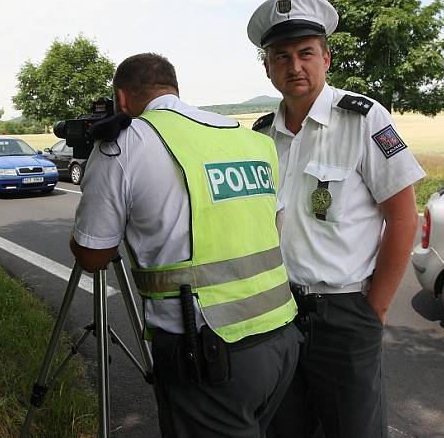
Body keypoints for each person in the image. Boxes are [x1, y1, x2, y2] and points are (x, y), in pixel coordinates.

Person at [70, 53, 302, 437]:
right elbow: (273, 224)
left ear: (122, 99)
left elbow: (93, 255)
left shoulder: (124, 144)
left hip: (208, 351)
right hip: (281, 338)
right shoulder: (247, 139)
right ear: (175, 90)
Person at [246, 0, 425, 438]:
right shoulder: (261, 137)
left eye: (306, 53)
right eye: (281, 56)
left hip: (344, 312)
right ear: (267, 68)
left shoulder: (363, 119)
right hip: (278, 312)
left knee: (354, 430)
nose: (295, 66)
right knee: (285, 427)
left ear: (326, 58)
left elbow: (405, 218)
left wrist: (374, 311)